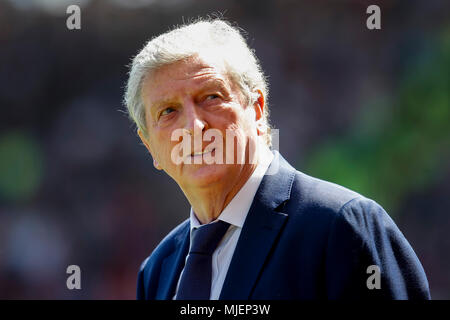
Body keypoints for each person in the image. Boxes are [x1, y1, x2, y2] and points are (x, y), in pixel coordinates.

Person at [124, 18, 431, 300]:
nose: (193, 126)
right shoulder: (157, 271)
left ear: (257, 110)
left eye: (211, 97)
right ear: (150, 147)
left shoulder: (342, 227)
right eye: (168, 111)